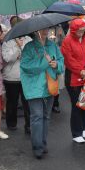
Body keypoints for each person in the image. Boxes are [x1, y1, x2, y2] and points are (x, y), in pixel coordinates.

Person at [21, 28, 65, 158]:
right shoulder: (29, 47)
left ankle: (43, 143)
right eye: (41, 29)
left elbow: (61, 61)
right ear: (35, 31)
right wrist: (45, 62)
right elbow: (25, 66)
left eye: (47, 28)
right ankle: (37, 147)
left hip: (49, 85)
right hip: (34, 87)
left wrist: (56, 64)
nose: (45, 31)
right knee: (37, 116)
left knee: (46, 116)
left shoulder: (53, 45)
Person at [61, 19, 85, 143]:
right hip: (73, 78)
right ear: (74, 30)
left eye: (83, 31)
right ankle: (76, 132)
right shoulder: (67, 41)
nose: (81, 33)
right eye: (79, 31)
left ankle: (82, 128)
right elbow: (68, 59)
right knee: (77, 105)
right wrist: (80, 70)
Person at [2, 18, 31, 133]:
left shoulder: (28, 39)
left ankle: (28, 125)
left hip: (25, 76)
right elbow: (7, 58)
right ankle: (11, 123)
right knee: (12, 102)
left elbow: (30, 56)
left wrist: (22, 48)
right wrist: (18, 49)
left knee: (27, 103)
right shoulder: (7, 40)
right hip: (11, 77)